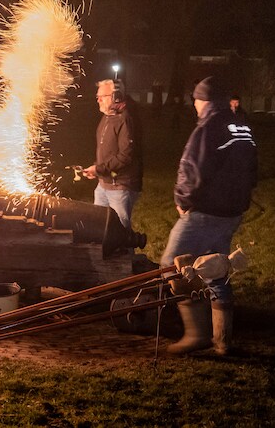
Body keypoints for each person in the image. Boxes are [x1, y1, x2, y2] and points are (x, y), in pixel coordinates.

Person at [162, 76, 258, 355]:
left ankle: (196, 334)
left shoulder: (208, 127)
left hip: (206, 211)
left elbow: (192, 168)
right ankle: (222, 339)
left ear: (204, 100)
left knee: (172, 264)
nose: (194, 105)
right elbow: (253, 169)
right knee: (217, 268)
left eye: (195, 100)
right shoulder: (241, 126)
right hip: (233, 211)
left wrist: (182, 200)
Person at [82, 80, 143, 231]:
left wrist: (99, 169)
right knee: (98, 228)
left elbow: (125, 156)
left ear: (116, 97)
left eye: (102, 96)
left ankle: (125, 248)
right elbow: (107, 150)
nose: (98, 100)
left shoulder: (125, 120)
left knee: (120, 231)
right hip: (104, 184)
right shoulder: (108, 117)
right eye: (97, 97)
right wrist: (97, 168)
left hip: (120, 186)